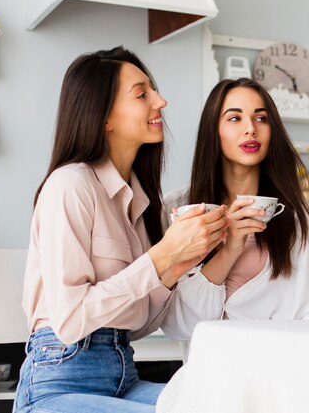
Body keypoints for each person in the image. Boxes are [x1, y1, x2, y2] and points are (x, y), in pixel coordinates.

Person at [13, 46, 228, 413]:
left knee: (225, 404)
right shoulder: (70, 185)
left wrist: (173, 269)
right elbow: (70, 321)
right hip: (57, 386)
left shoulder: (141, 202)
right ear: (104, 117)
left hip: (122, 378)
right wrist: (160, 258)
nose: (161, 101)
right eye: (142, 94)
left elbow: (137, 326)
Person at [161, 78, 309, 340]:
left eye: (261, 118)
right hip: (213, 371)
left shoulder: (298, 217)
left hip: (279, 367)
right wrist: (230, 248)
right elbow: (178, 326)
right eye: (234, 118)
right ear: (212, 130)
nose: (251, 129)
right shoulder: (180, 210)